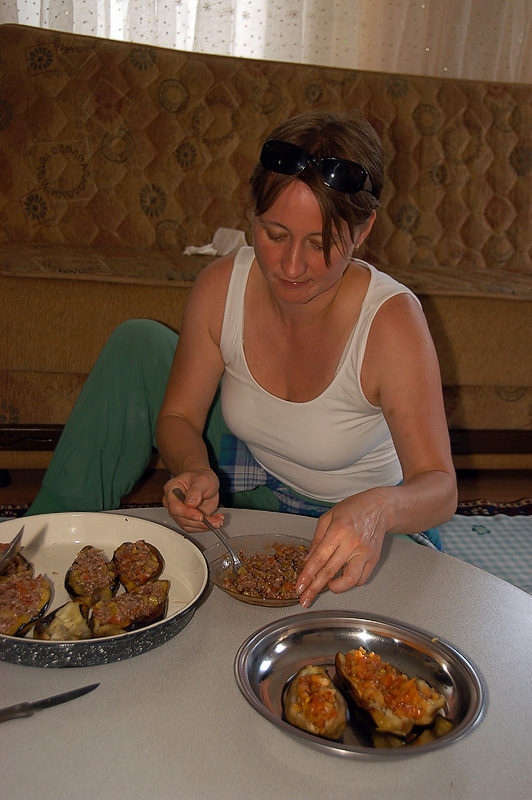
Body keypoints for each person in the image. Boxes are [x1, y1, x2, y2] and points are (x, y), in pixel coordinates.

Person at [26, 110, 457, 607]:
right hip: (255, 482)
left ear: (362, 231)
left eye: (320, 243)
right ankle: (40, 545)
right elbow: (179, 416)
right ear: (252, 214)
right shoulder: (221, 285)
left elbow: (440, 489)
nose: (291, 266)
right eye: (274, 234)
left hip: (360, 522)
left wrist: (378, 510)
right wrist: (194, 469)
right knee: (138, 344)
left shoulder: (392, 322)